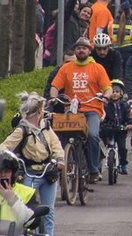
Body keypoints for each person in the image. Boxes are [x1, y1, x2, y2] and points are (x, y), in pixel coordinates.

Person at [48, 37, 113, 183]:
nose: (81, 50)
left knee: (92, 135)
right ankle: (63, 165)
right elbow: (55, 86)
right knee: (61, 135)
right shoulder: (66, 68)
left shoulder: (97, 68)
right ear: (75, 50)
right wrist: (53, 97)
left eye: (84, 48)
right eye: (78, 48)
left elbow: (107, 88)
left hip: (92, 109)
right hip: (71, 110)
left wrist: (106, 97)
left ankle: (93, 170)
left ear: (89, 51)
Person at [1, 94, 63, 235]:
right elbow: (4, 146)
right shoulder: (22, 130)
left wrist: (60, 159)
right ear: (39, 111)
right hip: (29, 172)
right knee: (24, 208)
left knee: (49, 210)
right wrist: (11, 158)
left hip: (47, 172)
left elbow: (56, 144)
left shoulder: (46, 127)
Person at [0, 150, 38, 232]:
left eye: (6, 171)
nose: (3, 175)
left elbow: (33, 223)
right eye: (0, 172)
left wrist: (12, 200)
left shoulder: (27, 192)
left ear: (13, 173)